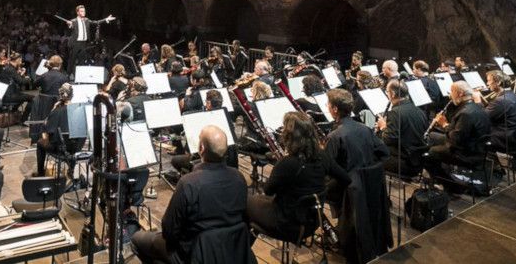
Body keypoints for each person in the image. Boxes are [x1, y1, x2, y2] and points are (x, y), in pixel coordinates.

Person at [131, 125, 248, 264]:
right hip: (230, 249)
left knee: (137, 239)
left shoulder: (189, 183)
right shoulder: (239, 178)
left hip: (193, 254)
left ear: (202, 149)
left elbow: (169, 230)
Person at [247, 112, 351, 239]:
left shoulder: (287, 163)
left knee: (246, 201)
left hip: (288, 225)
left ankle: (243, 252)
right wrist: (321, 191)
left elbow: (268, 190)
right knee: (260, 201)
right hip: (313, 221)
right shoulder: (322, 155)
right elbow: (345, 179)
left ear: (288, 136)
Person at [323, 89, 389, 203]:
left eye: (328, 104)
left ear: (334, 109)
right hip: (369, 184)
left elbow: (326, 168)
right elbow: (384, 153)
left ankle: (342, 214)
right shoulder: (365, 128)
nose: (327, 107)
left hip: (347, 188)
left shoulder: (334, 136)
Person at [425, 81, 491, 176]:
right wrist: (447, 125)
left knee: (432, 152)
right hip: (473, 144)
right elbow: (459, 130)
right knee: (431, 136)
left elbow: (455, 140)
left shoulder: (465, 113)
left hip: (466, 152)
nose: (450, 95)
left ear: (460, 94)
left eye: (452, 91)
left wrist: (444, 124)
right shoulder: (477, 105)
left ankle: (446, 182)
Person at [472, 70, 516, 162]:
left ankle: (495, 168)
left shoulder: (501, 100)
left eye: (489, 81)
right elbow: (494, 110)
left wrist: (477, 101)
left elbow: (481, 118)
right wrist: (482, 99)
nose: (487, 84)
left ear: (498, 82)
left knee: (475, 134)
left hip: (507, 140)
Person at [376, 80, 428, 176]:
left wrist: (383, 127)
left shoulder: (395, 112)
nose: (387, 94)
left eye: (387, 92)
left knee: (369, 152)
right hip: (419, 160)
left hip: (405, 163)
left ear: (392, 94)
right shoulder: (418, 110)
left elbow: (388, 140)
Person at [36, 83, 84, 177]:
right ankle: (71, 168)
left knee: (40, 143)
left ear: (60, 95)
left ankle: (40, 173)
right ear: (72, 95)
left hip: (60, 149)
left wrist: (53, 109)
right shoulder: (80, 110)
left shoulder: (57, 111)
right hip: (76, 148)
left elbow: (48, 129)